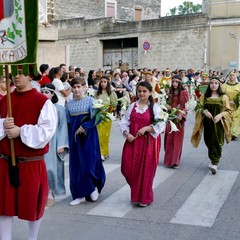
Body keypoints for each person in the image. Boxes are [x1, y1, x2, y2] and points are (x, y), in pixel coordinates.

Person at [0, 71, 57, 240]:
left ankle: (32, 238)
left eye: (21, 74)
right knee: (4, 205)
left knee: (33, 204)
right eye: (13, 74)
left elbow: (46, 132)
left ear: (30, 76)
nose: (16, 77)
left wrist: (21, 131)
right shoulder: (4, 101)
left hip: (31, 163)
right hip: (5, 162)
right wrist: (3, 124)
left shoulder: (42, 102)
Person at [119, 81, 166, 207]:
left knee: (145, 170)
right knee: (127, 168)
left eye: (144, 91)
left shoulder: (155, 107)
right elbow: (124, 122)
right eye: (139, 91)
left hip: (148, 143)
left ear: (150, 92)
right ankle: (136, 193)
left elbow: (161, 124)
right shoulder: (133, 106)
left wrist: (146, 128)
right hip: (133, 141)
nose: (141, 93)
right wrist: (127, 134)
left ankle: (144, 197)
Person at [66, 77, 106, 206]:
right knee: (77, 165)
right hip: (75, 138)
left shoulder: (90, 101)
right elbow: (68, 122)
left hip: (89, 137)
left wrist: (85, 126)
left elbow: (98, 118)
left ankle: (93, 186)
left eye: (79, 86)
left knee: (89, 163)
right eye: (74, 87)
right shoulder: (69, 104)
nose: (77, 89)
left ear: (84, 87)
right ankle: (80, 194)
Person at [191, 77, 232, 175]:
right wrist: (204, 111)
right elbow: (199, 107)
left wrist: (221, 115)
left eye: (216, 83)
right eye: (212, 83)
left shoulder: (224, 97)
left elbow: (229, 111)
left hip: (219, 123)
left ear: (219, 85)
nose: (214, 85)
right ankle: (213, 159)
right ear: (209, 85)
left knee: (217, 141)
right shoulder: (205, 96)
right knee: (209, 141)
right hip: (207, 123)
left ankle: (215, 162)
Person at [41, 84, 69, 207]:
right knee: (39, 168)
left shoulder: (58, 108)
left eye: (47, 92)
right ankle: (41, 193)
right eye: (42, 92)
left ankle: (50, 192)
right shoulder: (37, 107)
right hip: (40, 140)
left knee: (50, 169)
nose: (44, 94)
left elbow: (62, 127)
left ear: (52, 94)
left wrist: (61, 144)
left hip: (54, 141)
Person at [163, 74, 189, 168]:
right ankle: (168, 160)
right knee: (168, 139)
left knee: (177, 139)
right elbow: (166, 103)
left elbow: (187, 106)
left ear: (180, 83)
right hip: (170, 117)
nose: (174, 84)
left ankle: (175, 161)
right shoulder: (170, 92)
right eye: (173, 81)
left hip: (179, 118)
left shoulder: (184, 92)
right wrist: (166, 107)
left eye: (176, 82)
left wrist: (181, 115)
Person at [95, 75, 118, 161]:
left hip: (107, 116)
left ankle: (104, 152)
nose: (103, 84)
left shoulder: (111, 93)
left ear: (108, 83)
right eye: (101, 82)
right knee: (98, 135)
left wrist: (107, 109)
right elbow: (94, 103)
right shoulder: (96, 93)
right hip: (98, 116)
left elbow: (114, 105)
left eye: (105, 82)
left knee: (104, 135)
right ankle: (100, 152)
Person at [221, 71, 240, 140]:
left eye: (233, 75)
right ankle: (228, 132)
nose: (231, 76)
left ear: (235, 77)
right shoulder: (224, 85)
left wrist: (235, 101)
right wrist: (227, 101)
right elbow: (221, 94)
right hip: (226, 104)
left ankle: (234, 133)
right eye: (230, 75)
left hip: (236, 105)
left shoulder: (239, 85)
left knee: (236, 118)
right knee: (227, 118)